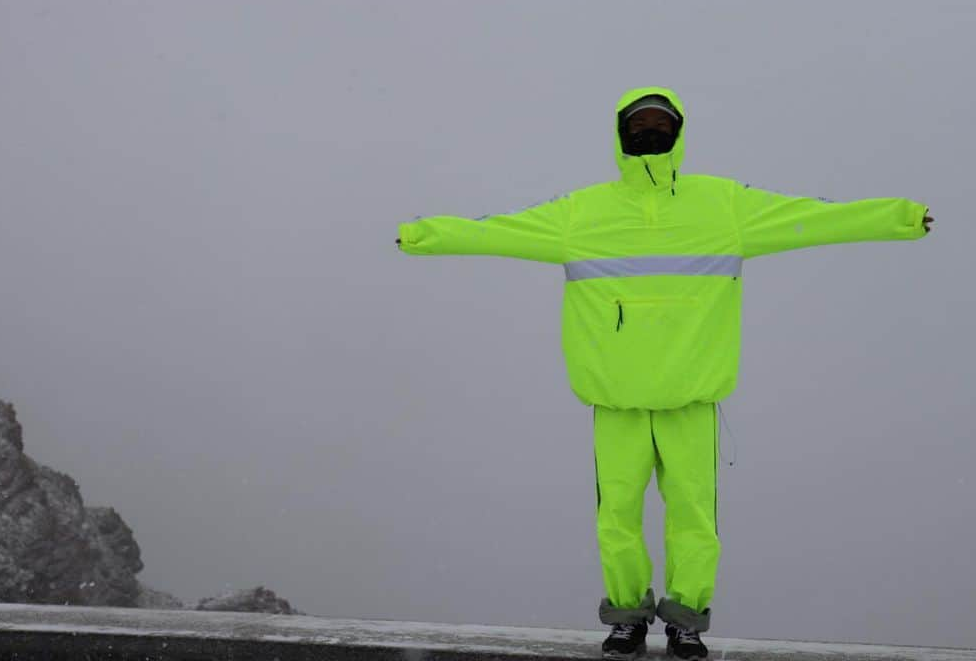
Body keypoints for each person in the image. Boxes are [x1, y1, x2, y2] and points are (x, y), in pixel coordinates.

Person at [395, 86, 933, 660]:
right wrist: (425, 235)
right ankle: (627, 617)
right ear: (620, 133)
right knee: (617, 519)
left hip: (691, 399)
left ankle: (685, 620)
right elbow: (495, 230)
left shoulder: (723, 206)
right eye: (639, 123)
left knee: (694, 520)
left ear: (679, 132)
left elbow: (817, 218)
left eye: (661, 122)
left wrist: (899, 218)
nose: (650, 131)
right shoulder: (581, 213)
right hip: (617, 400)